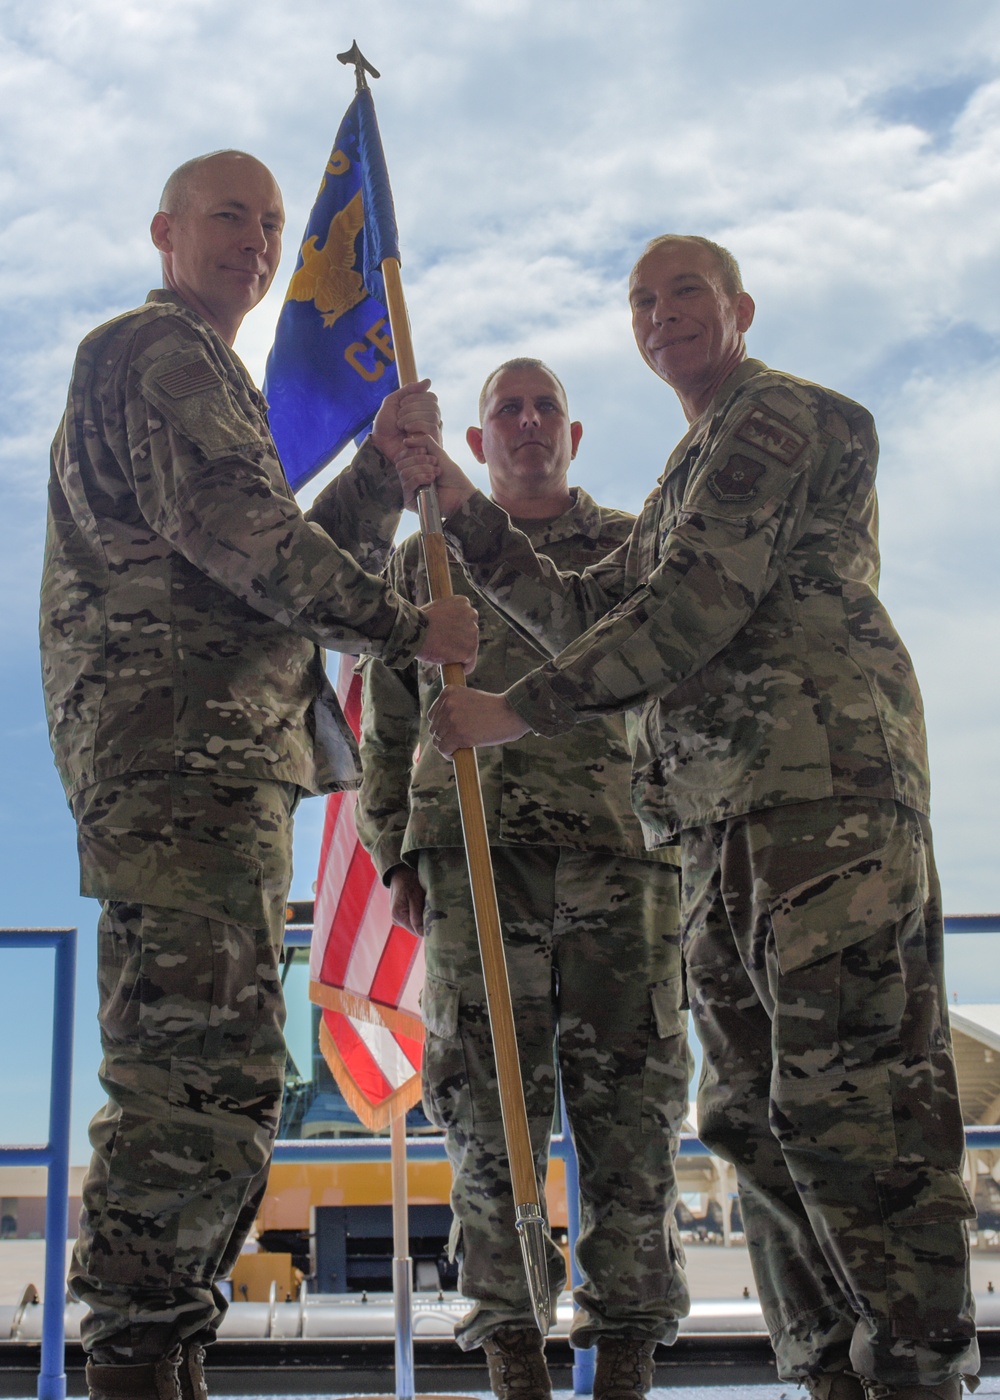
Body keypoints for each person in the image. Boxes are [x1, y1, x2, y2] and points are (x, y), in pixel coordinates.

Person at [395, 237, 979, 1400]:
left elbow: (691, 602)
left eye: (686, 294)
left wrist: (514, 709)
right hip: (713, 827)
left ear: (739, 309)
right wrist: (460, 510)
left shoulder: (779, 421)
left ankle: (918, 1377)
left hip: (820, 803)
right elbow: (579, 603)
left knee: (853, 1109)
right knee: (754, 1119)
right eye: (642, 301)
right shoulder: (680, 476)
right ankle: (833, 1374)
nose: (663, 315)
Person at [39, 149, 479, 1400]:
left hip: (216, 760)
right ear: (166, 228)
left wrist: (384, 474)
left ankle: (163, 1346)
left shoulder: (204, 374)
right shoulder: (158, 350)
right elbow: (253, 545)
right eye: (229, 214)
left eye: (275, 222)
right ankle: (135, 1355)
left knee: (226, 1068)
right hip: (178, 758)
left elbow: (270, 565)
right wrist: (413, 626)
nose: (258, 238)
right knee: (188, 1069)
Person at [355, 358, 691, 1400]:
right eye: (508, 408)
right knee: (487, 1112)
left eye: (546, 407)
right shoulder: (426, 566)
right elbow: (389, 722)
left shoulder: (635, 548)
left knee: (630, 1106)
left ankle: (626, 1344)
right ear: (477, 442)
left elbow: (666, 687)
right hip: (473, 862)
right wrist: (396, 851)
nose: (529, 422)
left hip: (619, 859)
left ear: (575, 435)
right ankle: (512, 1346)